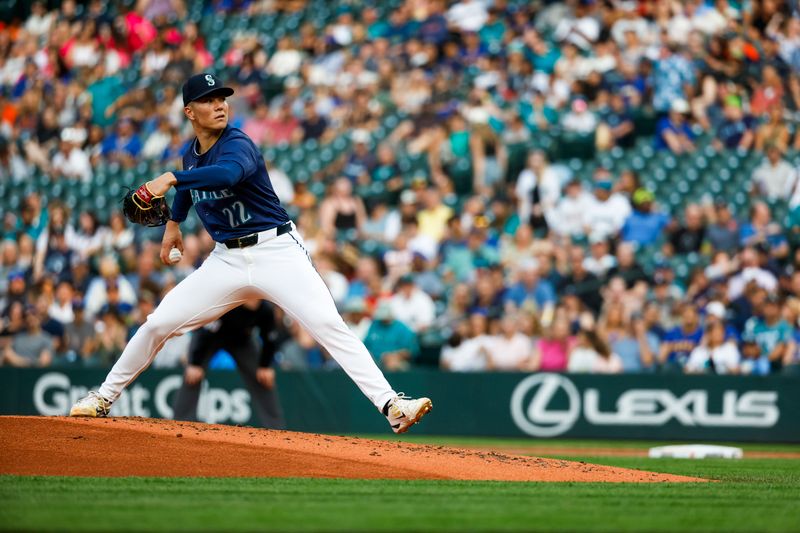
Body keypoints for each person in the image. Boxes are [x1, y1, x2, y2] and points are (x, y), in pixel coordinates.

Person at [69, 73, 431, 434]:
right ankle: (103, 396)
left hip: (276, 250)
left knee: (328, 324)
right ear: (189, 112)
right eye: (209, 100)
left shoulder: (238, 144)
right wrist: (174, 224)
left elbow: (225, 175)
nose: (220, 105)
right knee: (159, 323)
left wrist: (170, 178)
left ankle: (391, 405)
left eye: (222, 98)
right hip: (226, 259)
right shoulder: (190, 155)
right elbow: (189, 181)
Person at [173, 300, 285, 429]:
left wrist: (265, 366)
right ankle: (181, 424)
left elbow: (269, 339)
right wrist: (195, 363)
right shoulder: (228, 304)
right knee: (192, 375)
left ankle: (275, 428)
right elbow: (205, 333)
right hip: (210, 339)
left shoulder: (265, 310)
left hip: (242, 341)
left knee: (264, 379)